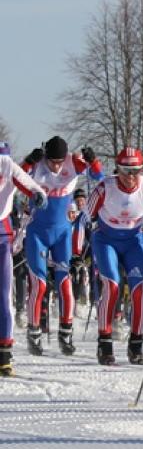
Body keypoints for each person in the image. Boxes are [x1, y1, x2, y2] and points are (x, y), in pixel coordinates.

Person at [81, 147, 143, 365]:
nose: (131, 176)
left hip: (134, 242)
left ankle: (136, 344)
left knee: (138, 289)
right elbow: (84, 217)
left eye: (136, 170)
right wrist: (78, 250)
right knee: (112, 286)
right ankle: (105, 342)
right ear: (118, 169)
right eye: (126, 171)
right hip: (106, 240)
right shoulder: (106, 187)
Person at [21, 137, 103, 356]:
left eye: (59, 161)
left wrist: (93, 160)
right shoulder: (38, 163)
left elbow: (98, 177)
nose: (56, 166)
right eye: (52, 161)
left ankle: (66, 333)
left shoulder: (73, 162)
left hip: (62, 234)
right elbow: (17, 175)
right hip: (38, 233)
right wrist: (29, 161)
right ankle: (34, 333)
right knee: (38, 286)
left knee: (65, 283)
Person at [0, 143, 47, 376]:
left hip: (2, 235)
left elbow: (27, 182)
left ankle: (4, 353)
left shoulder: (8, 166)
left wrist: (38, 194)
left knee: (3, 295)